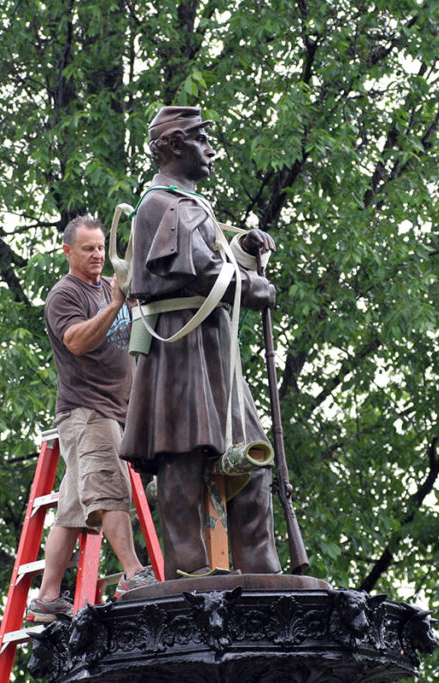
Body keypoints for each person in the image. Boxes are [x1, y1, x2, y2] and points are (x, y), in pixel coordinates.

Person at [119, 106, 282, 579]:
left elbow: (203, 262)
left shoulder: (185, 202)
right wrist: (252, 288)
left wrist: (243, 251)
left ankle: (261, 570)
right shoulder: (159, 203)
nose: (210, 150)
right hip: (179, 347)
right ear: (172, 146)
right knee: (182, 459)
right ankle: (190, 572)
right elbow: (194, 273)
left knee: (253, 459)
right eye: (199, 139)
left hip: (213, 351)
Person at [27, 215, 157, 622]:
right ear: (68, 252)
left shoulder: (109, 286)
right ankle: (132, 574)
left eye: (101, 247)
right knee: (108, 487)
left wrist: (130, 298)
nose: (98, 255)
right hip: (88, 410)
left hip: (115, 410)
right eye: (88, 248)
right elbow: (77, 341)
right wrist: (117, 304)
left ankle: (48, 597)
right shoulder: (64, 296)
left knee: (71, 509)